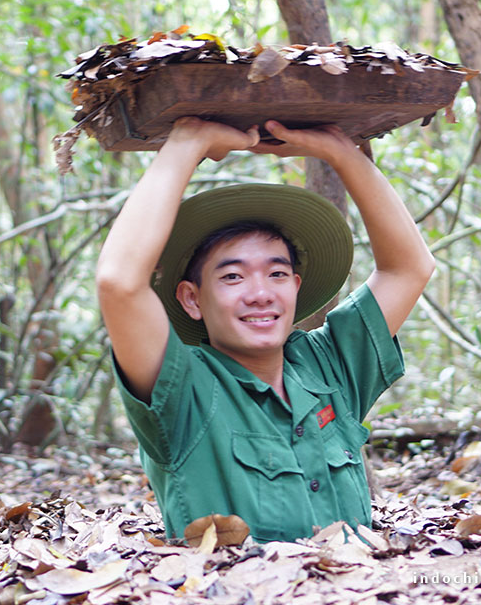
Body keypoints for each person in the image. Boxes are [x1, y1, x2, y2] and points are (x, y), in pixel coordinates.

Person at [96, 117, 435, 543]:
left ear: (294, 287)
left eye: (276, 274)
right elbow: (118, 282)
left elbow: (409, 269)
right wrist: (187, 143)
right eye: (233, 277)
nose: (260, 294)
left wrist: (341, 153)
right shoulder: (183, 390)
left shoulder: (328, 369)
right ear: (191, 299)